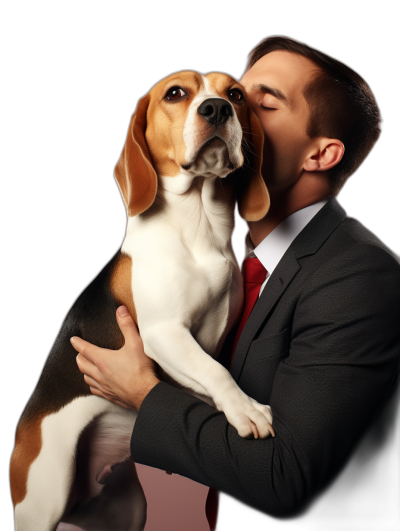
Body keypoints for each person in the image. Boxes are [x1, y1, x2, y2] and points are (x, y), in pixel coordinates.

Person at [71, 35, 400, 528]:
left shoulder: (362, 277)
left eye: (259, 103)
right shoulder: (213, 259)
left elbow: (284, 478)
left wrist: (143, 394)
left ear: (321, 154)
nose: (220, 108)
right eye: (232, 95)